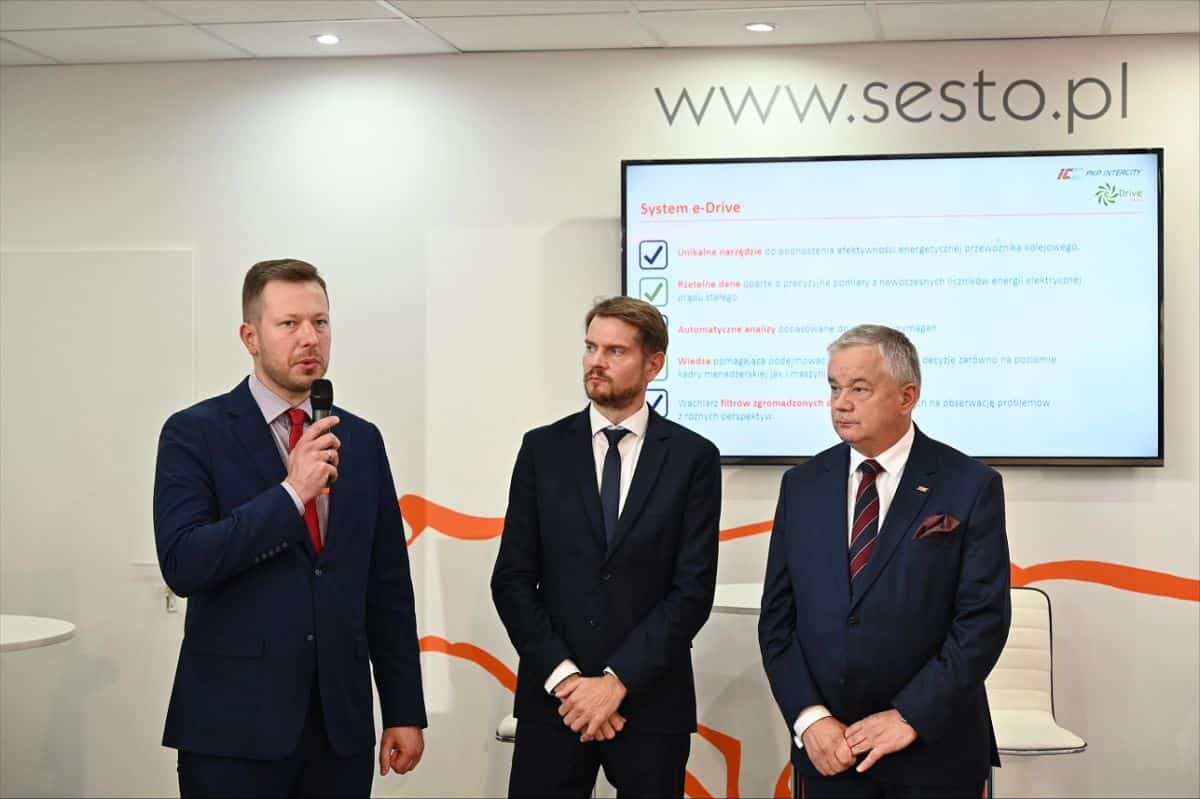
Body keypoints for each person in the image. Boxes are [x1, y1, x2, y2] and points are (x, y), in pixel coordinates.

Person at [153, 258, 426, 797]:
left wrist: (403, 708)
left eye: (320, 322)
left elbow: (387, 587)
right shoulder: (193, 433)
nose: (310, 338)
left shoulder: (362, 439)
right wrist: (290, 494)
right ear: (250, 337)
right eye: (289, 323)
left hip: (338, 730)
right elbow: (185, 563)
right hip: (233, 729)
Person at [758, 324, 1011, 798]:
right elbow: (778, 620)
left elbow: (982, 621)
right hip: (831, 753)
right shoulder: (802, 485)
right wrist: (810, 719)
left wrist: (910, 715)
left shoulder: (969, 484)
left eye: (859, 389)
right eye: (834, 388)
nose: (840, 403)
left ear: (907, 396)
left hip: (932, 750)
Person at [491, 296, 721, 798]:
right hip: (555, 704)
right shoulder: (542, 450)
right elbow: (511, 580)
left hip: (650, 704)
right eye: (591, 347)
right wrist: (569, 682)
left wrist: (616, 682)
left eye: (615, 351)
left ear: (653, 364)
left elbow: (692, 591)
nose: (596, 361)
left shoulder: (693, 458)